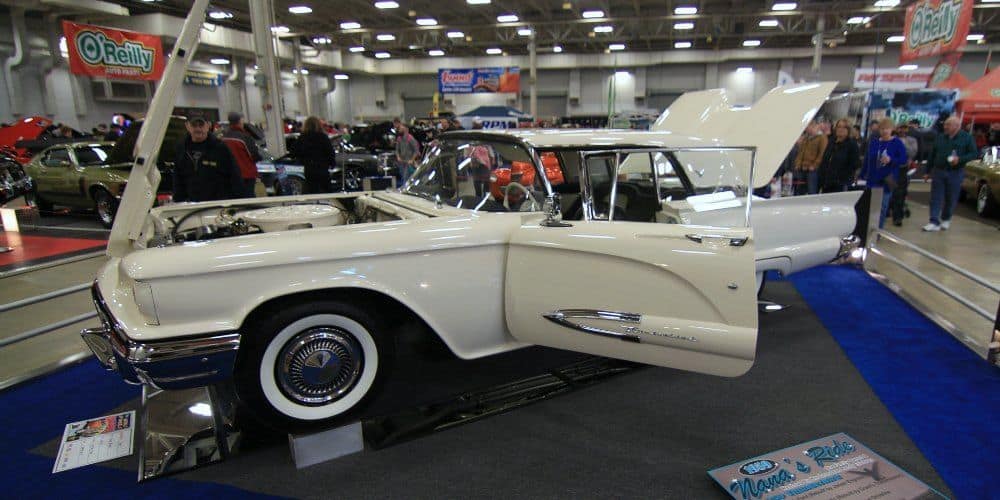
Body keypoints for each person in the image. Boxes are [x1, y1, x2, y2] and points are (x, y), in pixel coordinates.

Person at [922, 116, 979, 232]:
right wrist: (927, 171)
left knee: (951, 197)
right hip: (939, 171)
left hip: (955, 172)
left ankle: (946, 218)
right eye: (945, 124)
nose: (945, 127)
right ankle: (933, 221)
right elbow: (932, 155)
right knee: (935, 197)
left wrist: (960, 159)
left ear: (957, 126)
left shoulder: (967, 138)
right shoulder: (940, 137)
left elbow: (974, 154)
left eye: (948, 125)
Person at [172, 115, 243, 202]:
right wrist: (178, 201)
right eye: (194, 125)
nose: (198, 129)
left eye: (201, 125)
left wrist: (236, 202)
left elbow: (235, 175)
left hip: (217, 204)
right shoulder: (181, 148)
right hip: (190, 205)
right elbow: (177, 178)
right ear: (187, 126)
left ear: (208, 125)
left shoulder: (220, 148)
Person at [860, 118, 907, 229]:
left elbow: (903, 159)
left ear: (892, 129)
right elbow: (867, 159)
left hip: (886, 180)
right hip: (872, 179)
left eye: (887, 129)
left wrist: (891, 160)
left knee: (882, 208)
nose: (884, 131)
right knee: (869, 206)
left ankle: (877, 230)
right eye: (882, 129)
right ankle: (867, 229)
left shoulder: (897, 143)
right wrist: (862, 174)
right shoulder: (874, 142)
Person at [292, 116, 336, 194]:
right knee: (326, 190)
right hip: (322, 168)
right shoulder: (323, 137)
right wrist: (332, 164)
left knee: (312, 190)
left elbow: (295, 152)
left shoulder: (302, 138)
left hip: (309, 169)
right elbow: (330, 152)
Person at [222, 112, 261, 197]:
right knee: (248, 199)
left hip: (230, 175)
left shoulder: (224, 137)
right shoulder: (245, 137)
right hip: (246, 174)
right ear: (240, 121)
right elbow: (255, 156)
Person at [818, 119, 860, 193]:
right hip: (827, 183)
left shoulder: (852, 145)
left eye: (844, 127)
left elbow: (854, 165)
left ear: (848, 130)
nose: (841, 129)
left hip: (841, 184)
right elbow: (824, 160)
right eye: (839, 127)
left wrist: (841, 178)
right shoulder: (831, 142)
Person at [794, 121, 828, 195]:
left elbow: (822, 154)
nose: (806, 129)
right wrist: (798, 163)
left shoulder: (822, 138)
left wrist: (814, 165)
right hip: (802, 168)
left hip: (812, 170)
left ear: (813, 126)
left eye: (807, 126)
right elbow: (801, 152)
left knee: (811, 190)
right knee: (799, 191)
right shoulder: (806, 138)